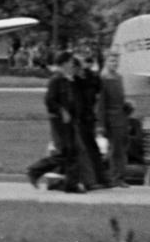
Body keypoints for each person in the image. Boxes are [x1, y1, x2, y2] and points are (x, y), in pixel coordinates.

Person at [28, 51, 87, 192]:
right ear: (65, 63)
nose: (73, 63)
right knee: (64, 152)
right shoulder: (56, 80)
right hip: (59, 122)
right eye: (71, 61)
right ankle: (35, 170)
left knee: (71, 152)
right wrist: (62, 111)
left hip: (70, 121)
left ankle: (71, 185)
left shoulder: (69, 79)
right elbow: (49, 100)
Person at [73, 53, 108, 189]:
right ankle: (93, 179)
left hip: (87, 118)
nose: (84, 66)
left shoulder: (90, 78)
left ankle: (97, 179)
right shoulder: (77, 79)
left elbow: (98, 96)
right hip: (82, 118)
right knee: (86, 148)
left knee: (90, 148)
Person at [99, 50, 131, 187]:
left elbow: (121, 100)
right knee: (115, 149)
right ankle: (115, 177)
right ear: (106, 62)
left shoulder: (119, 77)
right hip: (111, 119)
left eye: (116, 61)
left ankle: (120, 176)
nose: (115, 63)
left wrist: (127, 106)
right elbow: (101, 104)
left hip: (121, 118)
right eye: (112, 60)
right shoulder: (104, 79)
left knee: (121, 149)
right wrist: (101, 124)